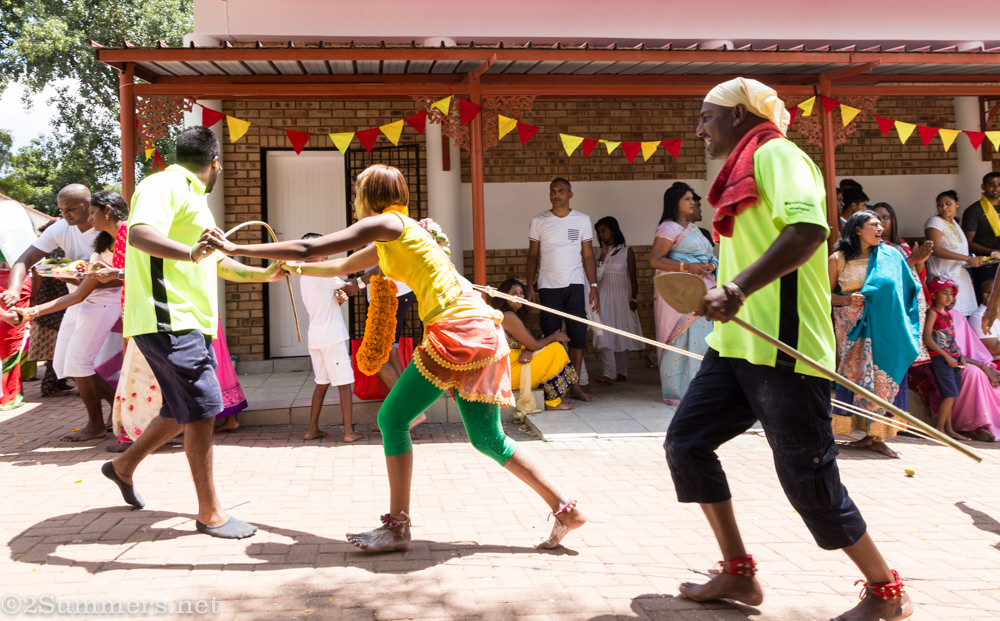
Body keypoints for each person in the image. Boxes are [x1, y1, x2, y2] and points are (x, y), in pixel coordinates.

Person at [203, 163, 586, 552]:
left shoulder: (390, 224)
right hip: (480, 327)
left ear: (370, 198)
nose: (353, 202)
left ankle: (397, 526)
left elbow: (311, 247)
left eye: (356, 194)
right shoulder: (396, 236)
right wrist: (292, 269)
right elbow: (335, 265)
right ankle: (564, 508)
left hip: (456, 329)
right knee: (488, 438)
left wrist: (236, 248)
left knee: (392, 419)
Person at [664, 77, 911, 621]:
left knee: (808, 475)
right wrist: (724, 294)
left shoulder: (779, 154)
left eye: (708, 116)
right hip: (735, 346)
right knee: (686, 444)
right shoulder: (741, 170)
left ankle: (886, 591)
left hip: (785, 348)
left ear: (741, 115)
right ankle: (737, 572)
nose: (701, 129)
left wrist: (735, 289)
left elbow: (807, 232)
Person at [102, 126, 285, 539]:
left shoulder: (198, 204)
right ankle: (211, 513)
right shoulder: (162, 184)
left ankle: (123, 466)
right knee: (204, 405)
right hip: (167, 317)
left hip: (192, 321)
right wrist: (189, 251)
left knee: (179, 408)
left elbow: (213, 261)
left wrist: (263, 274)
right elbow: (139, 233)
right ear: (214, 162)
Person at [0, 184, 123, 441]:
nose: (65, 215)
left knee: (79, 363)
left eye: (72, 209)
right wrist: (13, 291)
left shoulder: (112, 234)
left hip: (104, 300)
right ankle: (117, 406)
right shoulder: (63, 229)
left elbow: (120, 278)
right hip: (76, 299)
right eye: (61, 209)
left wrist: (32, 310)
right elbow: (24, 260)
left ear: (92, 208)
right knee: (63, 365)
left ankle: (96, 424)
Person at [828, 212, 921, 459]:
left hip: (887, 330)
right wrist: (847, 299)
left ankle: (878, 437)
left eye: (882, 224)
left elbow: (907, 289)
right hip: (852, 330)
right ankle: (860, 433)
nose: (881, 228)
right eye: (874, 224)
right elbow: (825, 296)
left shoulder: (892, 256)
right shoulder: (837, 259)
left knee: (884, 376)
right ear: (858, 229)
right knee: (857, 377)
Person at [525, 177, 597, 402]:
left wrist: (593, 286)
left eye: (561, 191)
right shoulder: (539, 220)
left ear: (570, 194)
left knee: (577, 334)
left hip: (575, 284)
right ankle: (555, 384)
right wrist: (529, 284)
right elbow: (533, 255)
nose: (556, 195)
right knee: (551, 335)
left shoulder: (583, 220)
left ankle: (574, 384)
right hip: (548, 285)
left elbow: (587, 255)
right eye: (553, 191)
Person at [650, 182, 717, 405]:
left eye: (693, 199)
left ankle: (702, 390)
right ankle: (679, 393)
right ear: (675, 203)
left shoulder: (692, 229)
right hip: (680, 294)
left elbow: (706, 256)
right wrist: (687, 268)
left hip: (702, 290)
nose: (693, 202)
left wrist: (711, 266)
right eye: (687, 199)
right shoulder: (668, 228)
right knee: (681, 341)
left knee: (703, 341)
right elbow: (655, 259)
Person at [295, 232, 362, 443]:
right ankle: (349, 432)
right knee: (344, 384)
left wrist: (339, 299)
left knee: (321, 383)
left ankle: (311, 429)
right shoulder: (322, 274)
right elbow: (348, 286)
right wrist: (359, 282)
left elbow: (331, 298)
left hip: (315, 336)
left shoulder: (304, 276)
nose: (325, 253)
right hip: (331, 335)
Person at [490, 278, 578, 411]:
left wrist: (529, 351)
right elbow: (535, 345)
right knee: (556, 349)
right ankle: (552, 402)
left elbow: (529, 344)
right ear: (504, 296)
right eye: (514, 293)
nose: (519, 296)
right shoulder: (508, 317)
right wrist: (553, 337)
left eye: (521, 293)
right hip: (509, 373)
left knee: (554, 350)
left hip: (515, 366)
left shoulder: (512, 315)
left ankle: (555, 397)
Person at [592, 216, 643, 384]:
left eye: (604, 231)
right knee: (605, 332)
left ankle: (622, 371)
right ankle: (608, 373)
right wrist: (603, 256)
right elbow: (597, 277)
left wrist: (634, 298)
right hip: (604, 296)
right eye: (599, 232)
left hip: (622, 297)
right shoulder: (600, 254)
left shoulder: (627, 251)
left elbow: (633, 277)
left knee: (621, 332)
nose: (601, 235)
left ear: (613, 230)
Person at [923, 276, 970, 440]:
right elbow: (928, 338)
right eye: (944, 293)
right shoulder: (933, 313)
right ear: (934, 295)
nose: (949, 297)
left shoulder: (949, 315)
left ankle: (949, 429)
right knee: (949, 394)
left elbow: (951, 338)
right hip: (940, 359)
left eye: (951, 293)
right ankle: (940, 429)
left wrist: (960, 356)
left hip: (953, 358)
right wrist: (946, 356)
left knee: (953, 395)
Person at [925, 190, 981, 316]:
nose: (944, 208)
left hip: (960, 277)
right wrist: (967, 259)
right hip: (943, 279)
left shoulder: (954, 223)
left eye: (948, 203)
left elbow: (959, 252)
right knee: (947, 318)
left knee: (963, 318)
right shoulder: (935, 221)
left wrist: (970, 260)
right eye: (940, 205)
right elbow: (935, 249)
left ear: (957, 204)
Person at [961, 172, 1000, 292]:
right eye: (991, 185)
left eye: (999, 184)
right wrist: (992, 252)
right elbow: (967, 242)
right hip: (987, 265)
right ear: (983, 187)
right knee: (989, 299)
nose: (996, 188)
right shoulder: (974, 211)